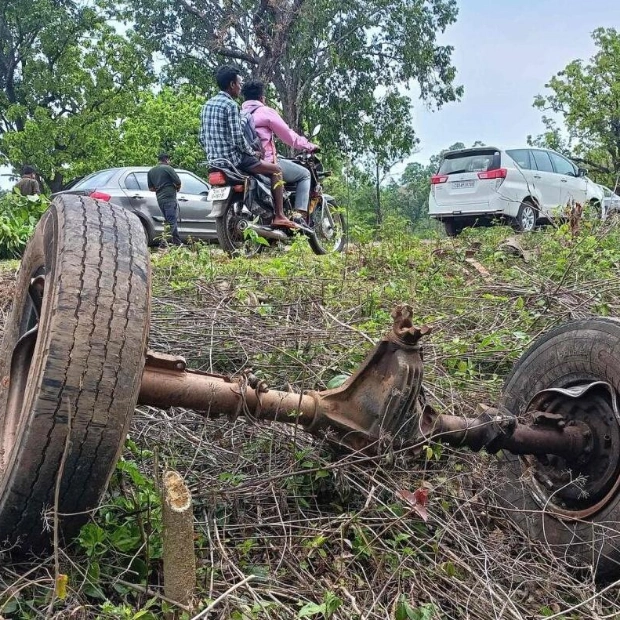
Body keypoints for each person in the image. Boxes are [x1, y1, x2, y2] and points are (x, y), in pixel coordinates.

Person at [199, 66, 293, 227]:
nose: (240, 87)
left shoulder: (206, 105)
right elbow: (237, 138)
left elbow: (201, 138)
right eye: (239, 83)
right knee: (276, 169)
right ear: (232, 85)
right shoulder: (231, 106)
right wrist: (253, 153)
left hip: (214, 162)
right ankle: (280, 215)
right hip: (235, 161)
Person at [241, 80, 318, 224]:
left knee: (282, 161)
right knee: (304, 174)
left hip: (244, 162)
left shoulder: (239, 114)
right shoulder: (265, 112)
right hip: (265, 161)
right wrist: (308, 145)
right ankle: (298, 215)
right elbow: (288, 137)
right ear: (261, 98)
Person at [147, 153, 183, 246]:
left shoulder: (151, 171)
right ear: (166, 160)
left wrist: (160, 188)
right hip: (169, 198)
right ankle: (164, 244)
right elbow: (178, 182)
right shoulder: (168, 168)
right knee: (171, 221)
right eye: (169, 160)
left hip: (160, 199)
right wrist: (177, 188)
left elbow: (151, 188)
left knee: (169, 220)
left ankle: (176, 243)